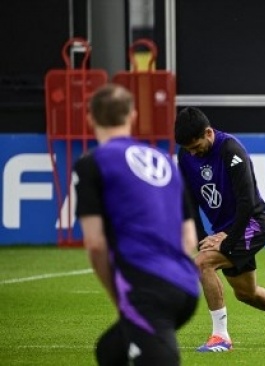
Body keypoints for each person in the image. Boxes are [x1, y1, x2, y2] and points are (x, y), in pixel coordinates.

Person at [74, 84, 199, 365]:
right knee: (110, 351)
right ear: (133, 116)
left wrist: (120, 296)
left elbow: (95, 244)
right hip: (186, 286)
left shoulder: (92, 163)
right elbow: (189, 237)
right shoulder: (164, 160)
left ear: (90, 119)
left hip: (146, 289)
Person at [174, 106, 265, 352]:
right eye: (188, 149)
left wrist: (227, 241)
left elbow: (247, 203)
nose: (193, 153)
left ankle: (220, 337)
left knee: (202, 263)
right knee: (246, 292)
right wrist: (204, 238)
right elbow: (188, 200)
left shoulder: (231, 150)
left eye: (196, 146)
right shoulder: (185, 155)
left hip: (252, 225)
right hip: (224, 230)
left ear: (208, 132)